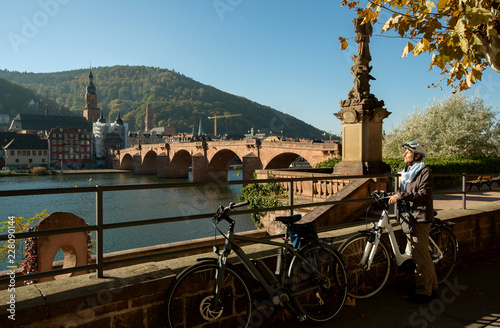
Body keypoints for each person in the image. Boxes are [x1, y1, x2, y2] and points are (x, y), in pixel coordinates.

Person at [388, 140, 438, 304]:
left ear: (417, 155)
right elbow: (403, 191)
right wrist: (389, 193)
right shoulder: (407, 171)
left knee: (419, 256)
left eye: (407, 152)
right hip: (409, 216)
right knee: (423, 254)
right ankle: (434, 288)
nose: (404, 155)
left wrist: (401, 196)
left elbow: (422, 194)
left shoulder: (425, 172)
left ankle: (424, 293)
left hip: (420, 217)